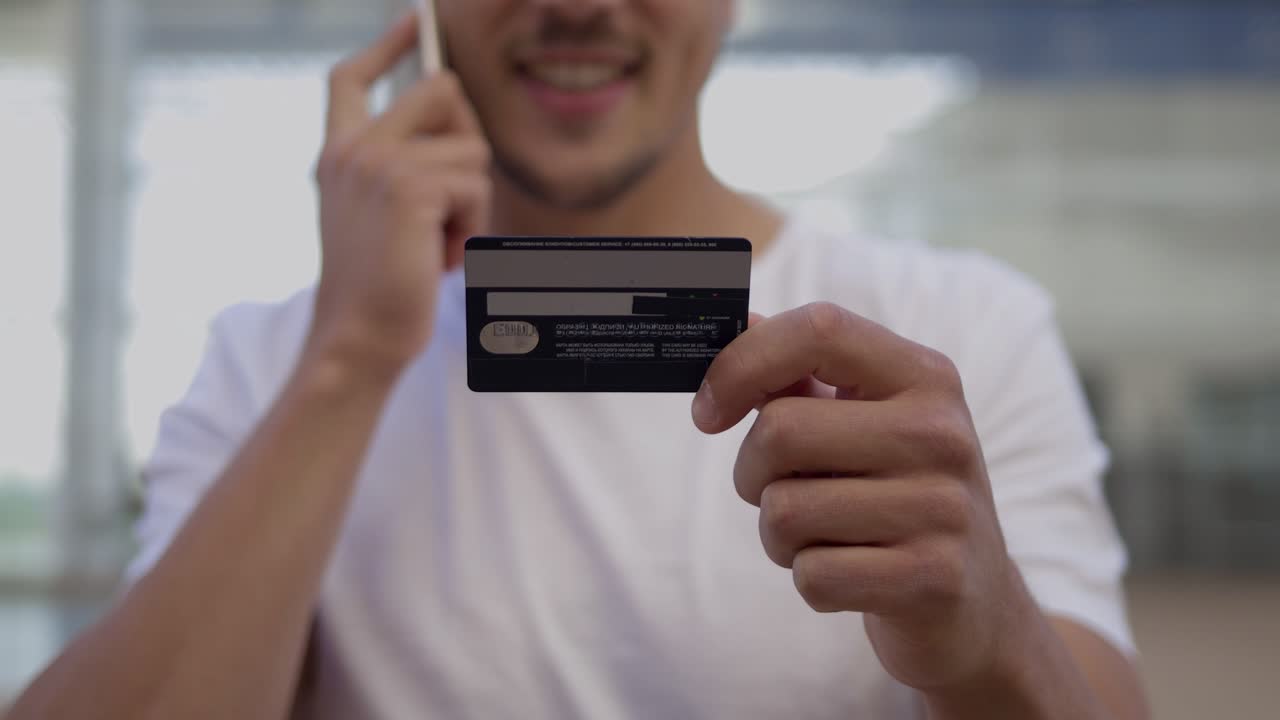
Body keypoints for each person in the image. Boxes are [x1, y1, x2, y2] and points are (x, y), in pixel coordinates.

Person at [10, 2, 1150, 718]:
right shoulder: (275, 363)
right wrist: (348, 358)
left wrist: (985, 643)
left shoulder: (955, 332)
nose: (577, 7)